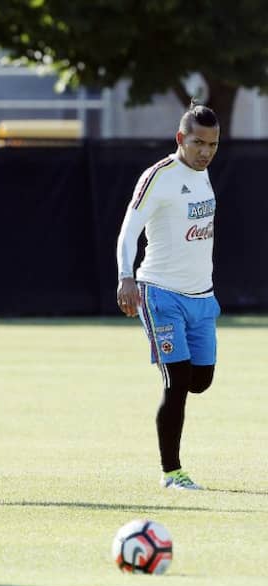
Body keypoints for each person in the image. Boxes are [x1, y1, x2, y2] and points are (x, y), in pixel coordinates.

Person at [115, 102, 221, 491]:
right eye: (198, 143)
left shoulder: (203, 175)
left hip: (202, 297)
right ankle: (172, 472)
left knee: (200, 380)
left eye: (212, 144)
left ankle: (176, 368)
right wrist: (126, 277)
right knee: (176, 381)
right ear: (180, 138)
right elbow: (129, 231)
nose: (205, 152)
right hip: (160, 293)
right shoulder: (158, 176)